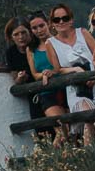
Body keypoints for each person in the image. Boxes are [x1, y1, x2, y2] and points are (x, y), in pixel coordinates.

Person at [44, 3, 95, 145]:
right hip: (76, 89)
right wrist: (75, 70)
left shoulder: (83, 33)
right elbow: (58, 69)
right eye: (57, 20)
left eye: (65, 18)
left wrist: (94, 76)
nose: (61, 22)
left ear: (71, 19)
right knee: (88, 116)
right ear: (52, 23)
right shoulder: (50, 43)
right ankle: (90, 156)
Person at [26, 10, 69, 138]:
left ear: (48, 24)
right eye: (34, 28)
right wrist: (44, 74)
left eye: (41, 26)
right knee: (62, 129)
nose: (39, 30)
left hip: (66, 89)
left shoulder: (59, 41)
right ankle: (48, 157)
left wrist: (54, 71)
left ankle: (58, 157)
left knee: (72, 130)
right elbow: (35, 74)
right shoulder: (31, 49)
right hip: (47, 93)